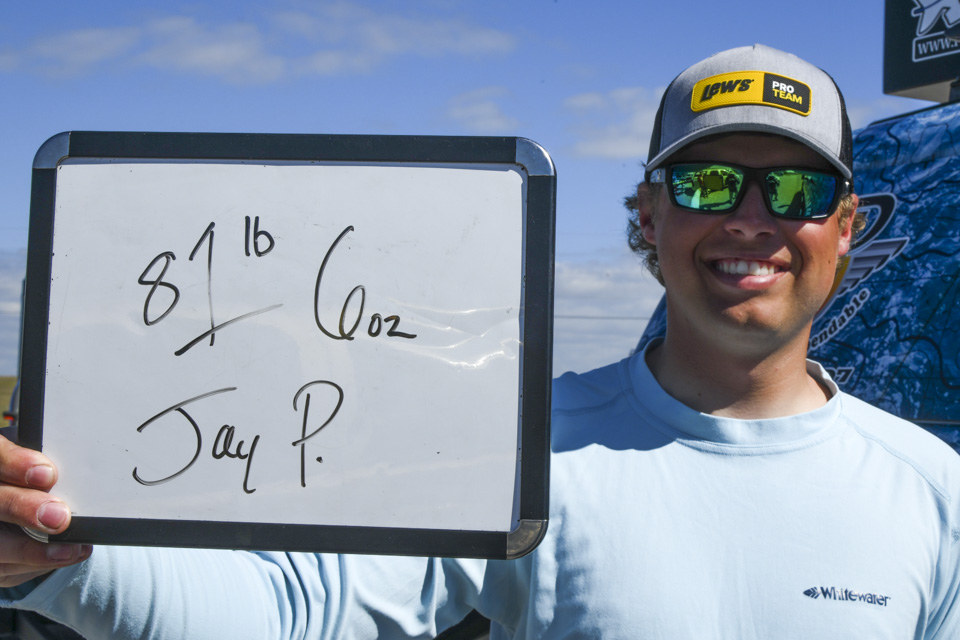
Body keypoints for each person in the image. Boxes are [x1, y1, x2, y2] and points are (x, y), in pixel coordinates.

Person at [1, 44, 958, 639]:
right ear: (648, 216)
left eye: (794, 191)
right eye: (707, 184)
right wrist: (48, 564)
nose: (751, 218)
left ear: (846, 228)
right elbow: (292, 613)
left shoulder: (934, 493)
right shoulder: (519, 451)